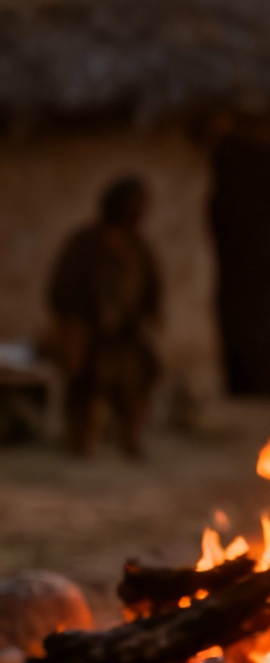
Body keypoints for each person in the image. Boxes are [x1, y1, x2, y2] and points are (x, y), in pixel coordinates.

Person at [47, 176, 162, 458]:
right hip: (90, 333)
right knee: (86, 386)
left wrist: (151, 314)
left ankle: (130, 441)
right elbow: (63, 289)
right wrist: (73, 328)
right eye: (134, 204)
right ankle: (81, 444)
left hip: (127, 336)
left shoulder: (138, 246)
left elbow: (152, 286)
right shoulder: (84, 244)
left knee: (139, 379)